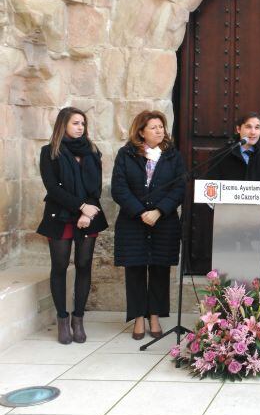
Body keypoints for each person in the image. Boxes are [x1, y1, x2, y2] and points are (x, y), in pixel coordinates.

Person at [112, 110, 186, 340]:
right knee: (135, 270)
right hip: (133, 222)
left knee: (159, 270)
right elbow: (119, 188)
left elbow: (179, 188)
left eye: (161, 126)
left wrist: (158, 211)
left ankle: (154, 316)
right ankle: (137, 319)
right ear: (141, 132)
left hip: (163, 222)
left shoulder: (173, 155)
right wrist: (141, 212)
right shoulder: (126, 155)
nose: (159, 130)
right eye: (153, 127)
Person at [37, 107, 109, 345]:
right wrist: (80, 207)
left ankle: (78, 319)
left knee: (84, 264)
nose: (80, 127)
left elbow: (95, 186)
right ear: (63, 125)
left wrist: (87, 212)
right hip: (61, 215)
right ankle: (62, 319)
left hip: (89, 214)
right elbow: (53, 189)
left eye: (83, 124)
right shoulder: (49, 152)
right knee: (59, 266)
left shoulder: (92, 151)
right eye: (76, 123)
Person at [207, 112, 260, 274]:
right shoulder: (221, 155)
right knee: (228, 278)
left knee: (256, 281)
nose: (253, 132)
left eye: (257, 127)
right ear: (238, 129)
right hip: (228, 228)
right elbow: (210, 189)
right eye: (248, 127)